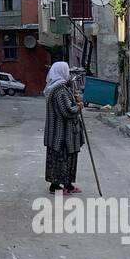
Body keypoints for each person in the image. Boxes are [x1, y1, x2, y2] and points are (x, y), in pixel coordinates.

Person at [43, 61, 84, 194]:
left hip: (60, 133)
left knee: (65, 159)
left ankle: (67, 185)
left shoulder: (57, 88)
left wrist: (75, 100)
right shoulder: (59, 90)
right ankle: (57, 187)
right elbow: (67, 111)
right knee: (61, 160)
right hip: (61, 134)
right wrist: (78, 106)